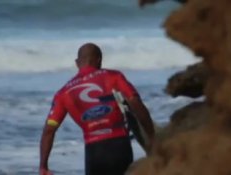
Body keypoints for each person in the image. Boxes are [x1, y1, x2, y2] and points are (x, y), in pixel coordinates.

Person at [39, 43, 155, 175]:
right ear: (99, 59)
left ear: (77, 63)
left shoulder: (63, 93)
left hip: (93, 151)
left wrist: (43, 166)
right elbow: (135, 102)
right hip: (119, 146)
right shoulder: (113, 76)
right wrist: (151, 136)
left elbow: (49, 130)